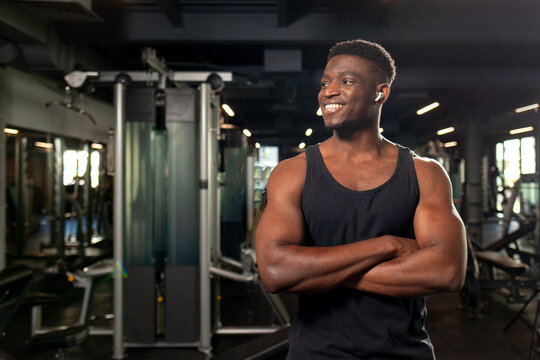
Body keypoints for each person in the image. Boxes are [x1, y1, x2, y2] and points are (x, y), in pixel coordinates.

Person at [255, 39, 467, 359]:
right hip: (317, 351)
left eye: (347, 81)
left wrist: (317, 270)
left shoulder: (425, 174)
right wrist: (388, 246)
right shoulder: (292, 173)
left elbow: (448, 271)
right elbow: (275, 272)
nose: (329, 91)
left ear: (379, 93)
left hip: (404, 352)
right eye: (325, 82)